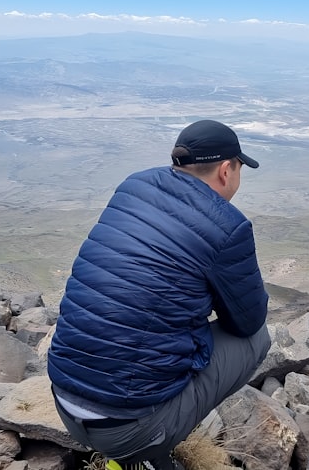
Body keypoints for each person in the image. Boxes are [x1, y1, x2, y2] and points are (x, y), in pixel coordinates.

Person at [48, 120, 271, 470]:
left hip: (64, 400)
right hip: (125, 428)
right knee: (257, 339)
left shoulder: (133, 185)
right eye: (240, 168)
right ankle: (143, 455)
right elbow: (248, 321)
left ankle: (132, 452)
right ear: (227, 170)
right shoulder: (228, 226)